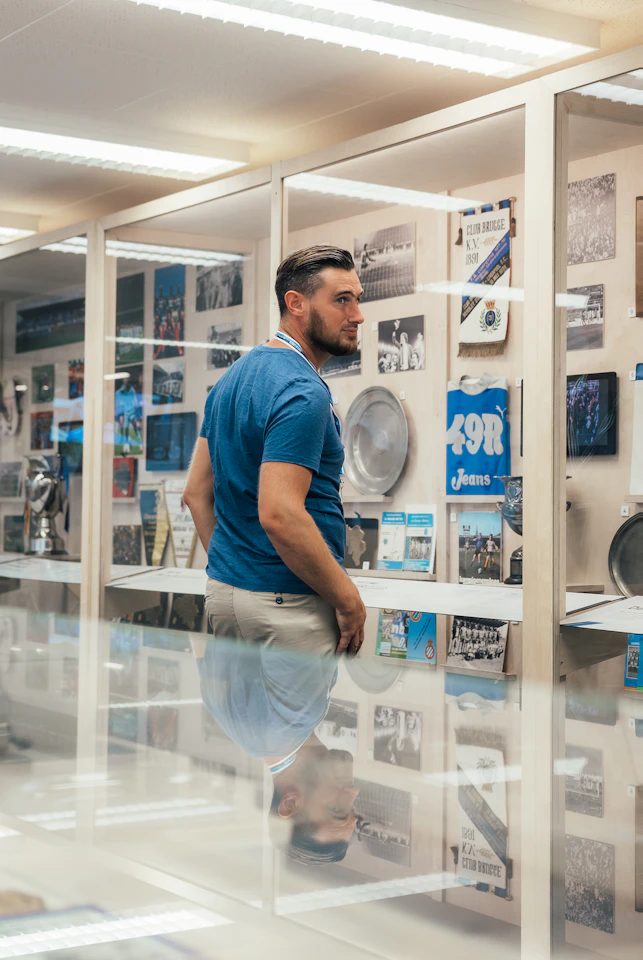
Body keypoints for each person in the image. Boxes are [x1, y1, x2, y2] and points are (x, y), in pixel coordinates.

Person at [184, 245, 367, 857]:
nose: (357, 315)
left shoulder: (230, 383)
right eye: (342, 300)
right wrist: (348, 600)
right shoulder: (303, 391)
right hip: (287, 605)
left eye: (357, 300)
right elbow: (280, 513)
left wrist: (237, 571)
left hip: (232, 597)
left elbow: (195, 494)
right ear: (296, 304)